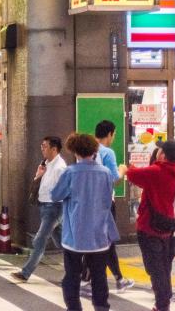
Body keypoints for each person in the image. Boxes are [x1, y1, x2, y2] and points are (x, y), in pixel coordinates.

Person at [51, 133, 119, 311]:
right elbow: (107, 200)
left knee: (72, 276)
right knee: (99, 276)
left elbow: (56, 195)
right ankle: (101, 307)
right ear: (94, 150)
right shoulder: (105, 173)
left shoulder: (70, 172)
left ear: (74, 151)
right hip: (99, 234)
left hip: (75, 234)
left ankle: (74, 308)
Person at [120, 141, 175, 311]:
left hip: (150, 226)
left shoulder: (156, 171)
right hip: (167, 226)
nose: (157, 152)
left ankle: (162, 305)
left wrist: (124, 168)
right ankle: (164, 301)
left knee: (155, 269)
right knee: (163, 267)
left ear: (163, 155)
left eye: (160, 150)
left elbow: (133, 175)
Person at [12, 136, 68, 282]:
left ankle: (25, 272)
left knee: (39, 239)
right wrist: (38, 175)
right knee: (63, 242)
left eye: (44, 146)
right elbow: (40, 184)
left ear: (54, 149)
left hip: (54, 207)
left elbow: (65, 189)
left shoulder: (60, 167)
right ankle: (79, 268)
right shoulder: (47, 164)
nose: (42, 149)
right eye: (41, 146)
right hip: (45, 206)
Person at [88, 120, 134, 293]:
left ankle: (117, 278)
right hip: (105, 203)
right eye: (113, 134)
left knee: (99, 241)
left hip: (89, 203)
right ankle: (91, 279)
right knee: (105, 242)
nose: (113, 137)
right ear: (109, 134)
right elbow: (114, 178)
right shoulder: (108, 152)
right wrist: (123, 170)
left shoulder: (88, 149)